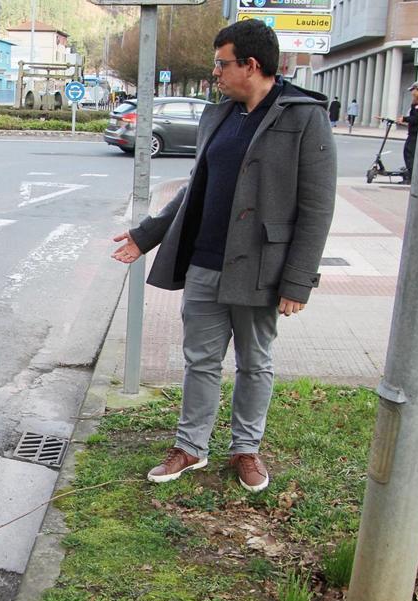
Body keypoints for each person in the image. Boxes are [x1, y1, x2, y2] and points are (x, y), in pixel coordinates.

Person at [110, 19, 336, 493]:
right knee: (200, 360)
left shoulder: (303, 117)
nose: (216, 72)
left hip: (261, 269)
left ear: (251, 65)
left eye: (222, 63)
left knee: (255, 362)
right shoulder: (218, 116)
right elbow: (196, 191)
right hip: (205, 263)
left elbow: (317, 207)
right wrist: (145, 235)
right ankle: (190, 446)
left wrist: (298, 281)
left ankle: (246, 449)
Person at [396, 82, 418, 184]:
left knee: (409, 154)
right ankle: (411, 176)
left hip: (415, 133)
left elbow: (416, 118)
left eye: (413, 90)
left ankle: (411, 178)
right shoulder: (417, 102)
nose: (412, 93)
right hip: (414, 132)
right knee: (409, 153)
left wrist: (405, 119)